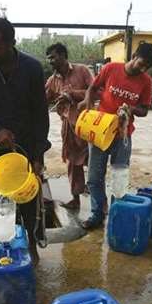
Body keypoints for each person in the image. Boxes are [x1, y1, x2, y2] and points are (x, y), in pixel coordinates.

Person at [0, 18, 50, 263]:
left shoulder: (32, 68)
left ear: (12, 43)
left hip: (25, 143)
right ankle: (0, 246)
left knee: (29, 198)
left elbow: (40, 114)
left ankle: (31, 244)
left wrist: (38, 156)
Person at [78, 42, 152, 229]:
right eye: (142, 63)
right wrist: (89, 107)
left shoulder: (145, 81)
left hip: (123, 137)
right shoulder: (111, 69)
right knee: (94, 178)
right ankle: (97, 213)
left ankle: (116, 214)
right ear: (135, 56)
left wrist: (130, 109)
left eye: (147, 67)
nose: (143, 69)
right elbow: (92, 88)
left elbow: (144, 110)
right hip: (100, 133)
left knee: (119, 178)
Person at [45, 42, 94, 210]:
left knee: (95, 164)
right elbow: (43, 98)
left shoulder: (82, 71)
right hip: (68, 127)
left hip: (89, 124)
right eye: (48, 59)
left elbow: (95, 92)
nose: (50, 61)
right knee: (72, 162)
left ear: (64, 56)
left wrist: (72, 94)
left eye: (53, 57)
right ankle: (76, 198)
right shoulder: (53, 80)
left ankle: (99, 206)